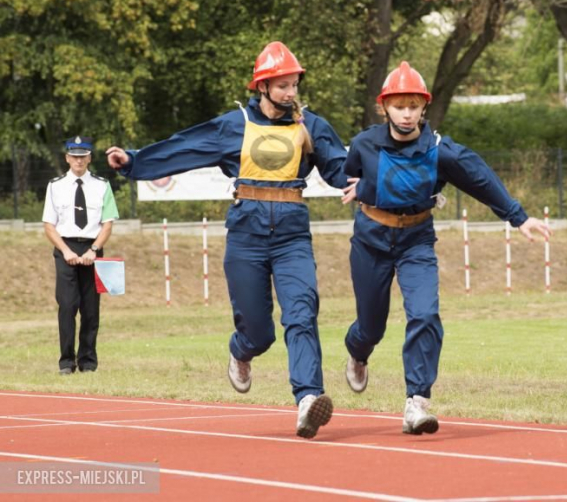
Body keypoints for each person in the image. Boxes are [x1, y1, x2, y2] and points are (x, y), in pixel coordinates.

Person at [106, 41, 355, 439]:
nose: (290, 92)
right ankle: (242, 350)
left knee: (301, 313)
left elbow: (340, 168)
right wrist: (135, 162)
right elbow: (185, 147)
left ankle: (308, 398)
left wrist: (364, 180)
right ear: (262, 86)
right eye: (282, 85)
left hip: (292, 235)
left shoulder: (311, 125)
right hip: (246, 234)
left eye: (294, 84)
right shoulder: (234, 124)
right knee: (259, 332)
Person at [342, 61, 552, 435]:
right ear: (384, 106)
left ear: (425, 106)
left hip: (416, 241)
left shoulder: (441, 151)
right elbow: (352, 174)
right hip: (371, 240)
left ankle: (416, 401)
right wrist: (365, 187)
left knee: (425, 314)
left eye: (413, 106)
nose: (406, 114)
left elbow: (481, 179)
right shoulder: (364, 144)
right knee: (371, 326)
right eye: (399, 106)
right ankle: (358, 353)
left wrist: (518, 217)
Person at [43, 136, 119, 375]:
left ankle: (88, 361)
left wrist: (93, 250)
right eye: (74, 156)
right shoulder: (55, 186)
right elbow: (49, 225)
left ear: (89, 158)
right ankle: (66, 362)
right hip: (65, 247)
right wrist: (66, 251)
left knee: (90, 309)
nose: (79, 161)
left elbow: (107, 224)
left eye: (83, 156)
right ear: (67, 158)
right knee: (67, 306)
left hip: (92, 248)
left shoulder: (102, 185)